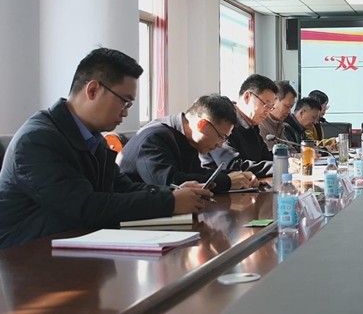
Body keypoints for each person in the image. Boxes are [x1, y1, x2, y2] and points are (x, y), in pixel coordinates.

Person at [0, 48, 211, 250]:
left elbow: (122, 188)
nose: (125, 113)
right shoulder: (38, 140)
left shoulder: (93, 138)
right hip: (27, 256)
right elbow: (85, 207)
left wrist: (174, 192)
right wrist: (169, 202)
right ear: (92, 90)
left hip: (75, 246)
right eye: (125, 102)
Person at [118, 95, 259, 192]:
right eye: (221, 137)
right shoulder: (155, 137)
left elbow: (195, 174)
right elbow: (171, 183)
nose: (220, 145)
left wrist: (238, 175)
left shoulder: (187, 138)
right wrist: (227, 181)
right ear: (202, 125)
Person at [202, 74, 278, 178]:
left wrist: (288, 162)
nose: (268, 112)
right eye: (266, 105)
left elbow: (265, 157)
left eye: (271, 107)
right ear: (247, 97)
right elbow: (233, 166)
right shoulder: (224, 121)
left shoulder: (252, 125)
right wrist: (280, 167)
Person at [259, 81, 297, 150]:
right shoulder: (260, 124)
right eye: (287, 106)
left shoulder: (279, 124)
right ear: (273, 101)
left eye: (291, 108)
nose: (289, 112)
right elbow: (269, 153)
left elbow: (291, 150)